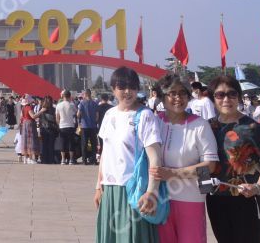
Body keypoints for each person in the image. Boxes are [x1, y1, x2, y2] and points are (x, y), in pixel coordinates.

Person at [95, 66, 162, 243]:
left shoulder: (145, 116)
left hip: (134, 190)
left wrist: (151, 192)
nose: (127, 92)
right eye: (121, 87)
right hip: (110, 188)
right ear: (113, 89)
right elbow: (105, 152)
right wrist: (98, 185)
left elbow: (155, 157)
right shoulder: (109, 114)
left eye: (132, 87)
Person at [206, 75, 260, 243]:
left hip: (245, 199)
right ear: (212, 98)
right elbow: (201, 160)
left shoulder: (252, 127)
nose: (226, 99)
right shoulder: (207, 127)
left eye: (231, 94)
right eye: (220, 95)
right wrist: (204, 190)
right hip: (216, 200)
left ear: (238, 96)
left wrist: (257, 186)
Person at [150, 74, 219, 243]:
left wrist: (173, 174)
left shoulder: (200, 125)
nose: (178, 98)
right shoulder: (154, 123)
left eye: (182, 93)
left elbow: (210, 166)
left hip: (191, 199)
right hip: (160, 201)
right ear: (162, 97)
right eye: (172, 93)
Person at [18, 94, 42, 164]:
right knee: (30, 140)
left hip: (25, 123)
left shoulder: (23, 107)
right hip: (30, 124)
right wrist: (41, 111)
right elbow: (33, 116)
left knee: (25, 140)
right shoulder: (29, 107)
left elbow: (21, 117)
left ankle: (26, 158)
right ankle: (30, 158)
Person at [78, 89, 99, 165]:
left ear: (85, 94)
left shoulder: (82, 103)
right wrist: (94, 121)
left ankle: (84, 160)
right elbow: (97, 116)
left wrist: (80, 120)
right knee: (94, 144)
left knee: (84, 144)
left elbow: (78, 114)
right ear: (90, 94)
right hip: (93, 126)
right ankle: (93, 160)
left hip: (84, 126)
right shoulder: (95, 103)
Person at [56, 90, 77, 165]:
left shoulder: (59, 105)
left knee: (62, 143)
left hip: (62, 126)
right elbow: (76, 113)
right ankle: (71, 159)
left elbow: (57, 118)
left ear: (63, 96)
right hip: (70, 125)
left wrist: (59, 124)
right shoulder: (71, 105)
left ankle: (63, 159)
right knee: (71, 143)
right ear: (69, 96)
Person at [37, 96, 58, 164]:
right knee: (51, 145)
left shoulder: (41, 109)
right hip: (52, 129)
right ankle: (51, 159)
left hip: (43, 129)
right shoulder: (53, 109)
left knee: (44, 145)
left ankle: (44, 160)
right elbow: (55, 120)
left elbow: (40, 119)